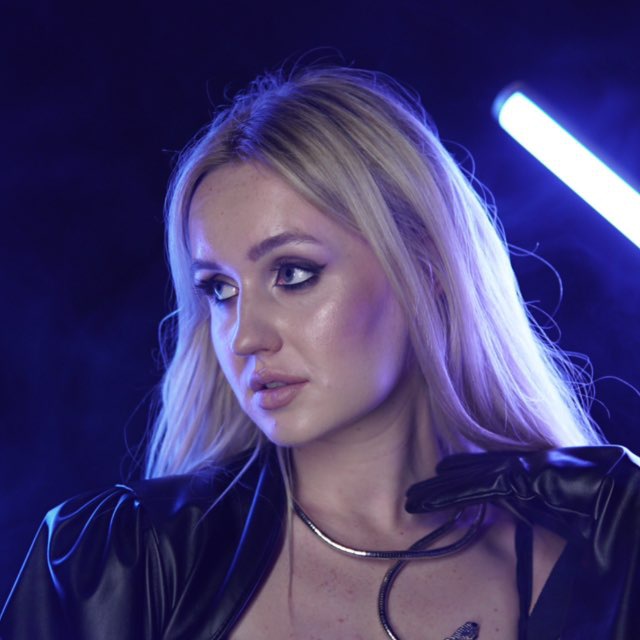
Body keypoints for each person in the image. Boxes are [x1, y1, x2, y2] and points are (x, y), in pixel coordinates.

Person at [1, 65, 638, 640]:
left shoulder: (578, 564)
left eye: (293, 274)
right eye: (219, 290)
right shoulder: (114, 563)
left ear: (425, 268)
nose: (245, 336)